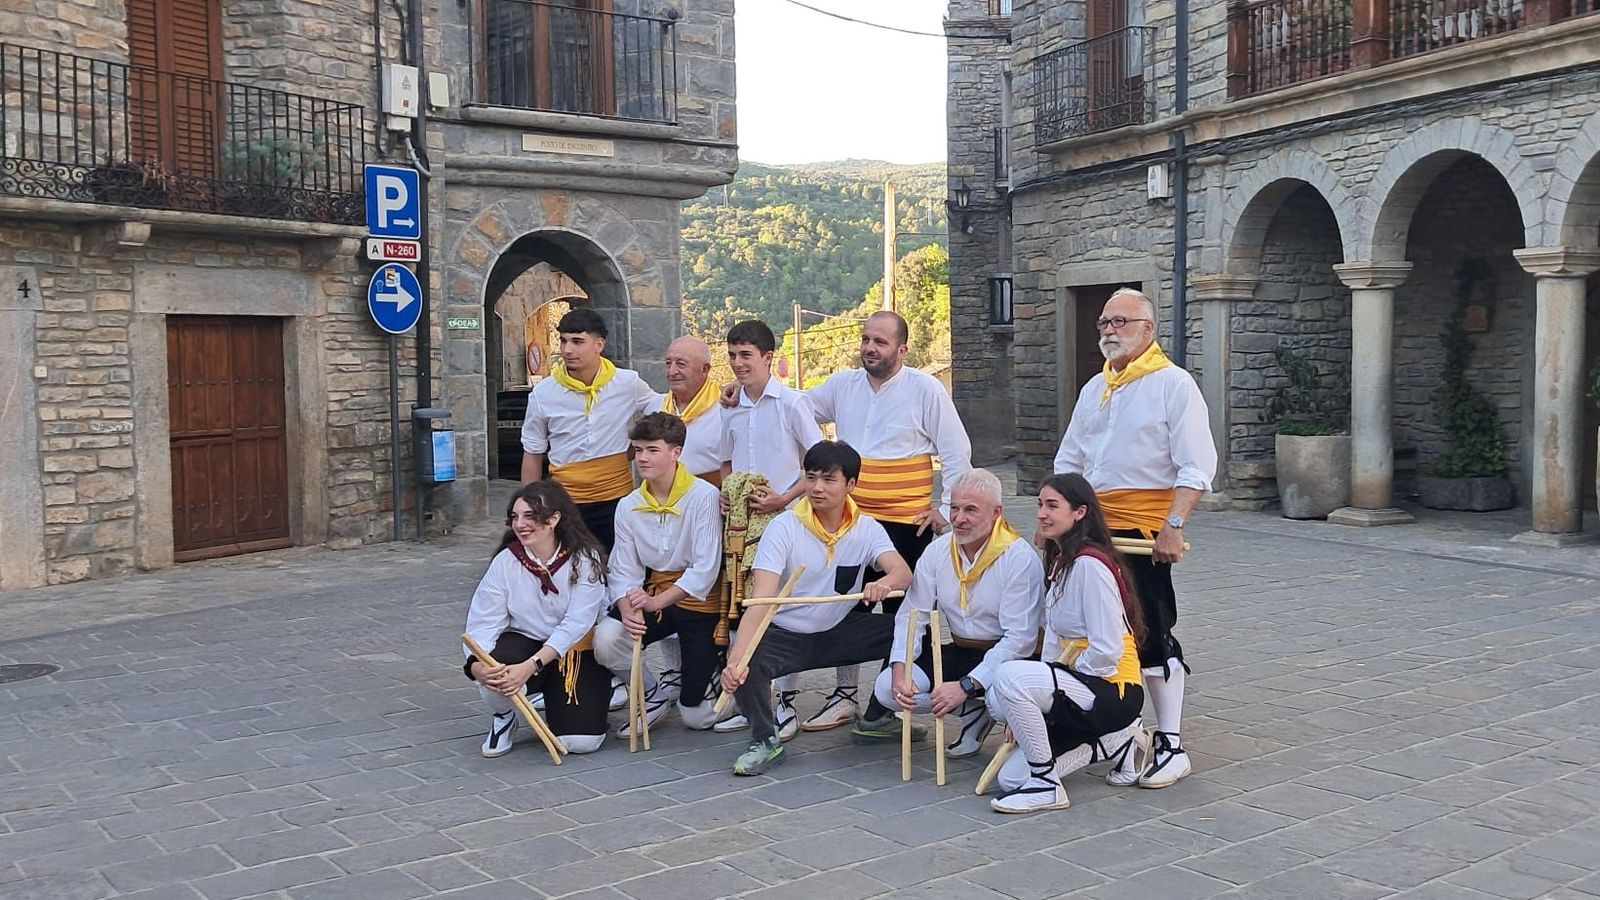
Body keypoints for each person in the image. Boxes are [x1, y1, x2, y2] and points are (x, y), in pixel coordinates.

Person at [730, 311, 974, 732]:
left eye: (880, 341)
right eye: (866, 339)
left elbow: (955, 451)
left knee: (906, 613)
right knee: (845, 602)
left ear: (902, 348)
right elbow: (798, 402)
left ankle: (885, 706)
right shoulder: (844, 385)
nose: (869, 348)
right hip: (851, 520)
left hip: (906, 520)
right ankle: (844, 695)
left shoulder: (925, 389)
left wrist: (945, 506)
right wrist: (747, 387)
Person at [1053, 287, 1216, 788]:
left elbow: (1198, 464)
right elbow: (1069, 462)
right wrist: (1058, 518)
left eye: (1120, 322)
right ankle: (1125, 731)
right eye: (1104, 322)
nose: (1108, 330)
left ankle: (1171, 742)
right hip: (1090, 529)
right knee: (1093, 628)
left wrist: (1174, 524)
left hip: (1143, 531)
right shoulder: (1093, 389)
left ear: (1148, 330)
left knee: (1150, 630)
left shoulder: (1174, 384)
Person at [720, 441, 912, 775]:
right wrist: (736, 660)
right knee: (746, 662)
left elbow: (903, 572)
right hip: (786, 634)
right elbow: (762, 601)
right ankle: (765, 739)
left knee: (908, 629)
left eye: (828, 479)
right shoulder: (784, 527)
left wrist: (885, 583)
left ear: (851, 484)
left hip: (838, 632)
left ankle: (878, 716)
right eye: (811, 478)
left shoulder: (866, 528)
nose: (817, 488)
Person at [984, 474, 1149, 813]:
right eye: (1040, 505)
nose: (1042, 514)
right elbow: (1054, 644)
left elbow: (1106, 650)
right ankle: (1117, 742)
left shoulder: (1090, 566)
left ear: (1079, 512)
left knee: (1010, 677)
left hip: (1112, 687)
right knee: (1011, 778)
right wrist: (1035, 704)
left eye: (1052, 506)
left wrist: (1055, 686)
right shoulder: (1061, 563)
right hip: (1080, 685)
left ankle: (1047, 787)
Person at [853, 469, 1042, 758]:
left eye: (970, 510)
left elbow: (1020, 640)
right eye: (954, 508)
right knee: (887, 690)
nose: (959, 518)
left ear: (997, 512)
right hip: (963, 648)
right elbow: (913, 613)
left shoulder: (1018, 558)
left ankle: (998, 713)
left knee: (1000, 701)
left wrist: (966, 685)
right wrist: (900, 666)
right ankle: (972, 714)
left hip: (1011, 659)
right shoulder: (938, 551)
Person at [714, 319, 825, 740]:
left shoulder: (792, 404)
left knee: (784, 609)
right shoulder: (731, 408)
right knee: (746, 608)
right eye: (732, 355)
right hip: (743, 527)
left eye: (747, 355)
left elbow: (816, 464)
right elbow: (727, 461)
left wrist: (784, 498)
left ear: (767, 358)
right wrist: (727, 491)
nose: (739, 364)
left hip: (788, 520)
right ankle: (753, 695)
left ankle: (788, 703)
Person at [591, 413, 726, 734]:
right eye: (637, 450)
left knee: (697, 717)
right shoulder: (629, 504)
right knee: (607, 640)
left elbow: (705, 569)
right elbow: (624, 568)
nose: (642, 459)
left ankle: (730, 690)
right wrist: (627, 605)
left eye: (652, 450)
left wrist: (656, 603)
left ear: (676, 452)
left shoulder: (703, 496)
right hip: (654, 594)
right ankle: (651, 695)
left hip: (697, 603)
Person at [463, 482, 613, 757]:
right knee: (496, 671)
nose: (520, 524)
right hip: (524, 641)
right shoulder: (506, 561)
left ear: (554, 519)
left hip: (574, 649)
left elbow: (577, 623)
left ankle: (554, 694)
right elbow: (483, 622)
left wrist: (531, 667)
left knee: (581, 743)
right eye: (515, 517)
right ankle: (504, 715)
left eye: (530, 516)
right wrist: (476, 665)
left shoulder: (584, 559)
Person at [520, 308, 657, 552]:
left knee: (619, 569)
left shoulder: (627, 383)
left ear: (599, 345)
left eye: (577, 341)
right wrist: (528, 507)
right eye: (563, 341)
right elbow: (532, 450)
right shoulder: (544, 394)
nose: (567, 350)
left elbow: (664, 410)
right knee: (568, 571)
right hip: (565, 502)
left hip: (617, 500)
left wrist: (636, 448)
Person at [655, 336, 727, 487]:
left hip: (711, 499)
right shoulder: (655, 406)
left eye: (681, 364)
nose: (672, 371)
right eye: (668, 364)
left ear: (704, 369)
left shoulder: (726, 410)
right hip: (660, 500)